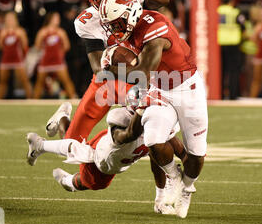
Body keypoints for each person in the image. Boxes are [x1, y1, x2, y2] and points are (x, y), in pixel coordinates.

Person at [67, 0, 171, 209]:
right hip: (110, 78)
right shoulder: (87, 20)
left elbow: (164, 0)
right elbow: (97, 68)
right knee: (71, 145)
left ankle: (162, 193)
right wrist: (131, 70)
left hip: (146, 74)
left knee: (155, 133)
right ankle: (65, 125)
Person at [99, 0, 208, 218]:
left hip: (187, 88)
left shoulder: (155, 32)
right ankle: (173, 176)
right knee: (153, 139)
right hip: (161, 87)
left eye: (117, 23)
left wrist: (112, 70)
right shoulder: (137, 18)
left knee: (196, 155)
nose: (114, 28)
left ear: (130, 14)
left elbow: (143, 72)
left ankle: (187, 188)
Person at [26, 87, 185, 215]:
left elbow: (160, 158)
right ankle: (47, 153)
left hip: (117, 160)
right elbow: (128, 135)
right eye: (149, 107)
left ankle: (59, 122)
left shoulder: (158, 125)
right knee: (85, 168)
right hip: (102, 154)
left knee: (91, 172)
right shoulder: (121, 119)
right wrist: (142, 113)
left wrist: (165, 195)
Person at [33, 12, 76, 99]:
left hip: (58, 61)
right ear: (51, 19)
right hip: (45, 61)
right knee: (40, 82)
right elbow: (37, 46)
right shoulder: (43, 31)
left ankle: (73, 98)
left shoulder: (61, 32)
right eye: (56, 18)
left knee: (66, 81)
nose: (58, 20)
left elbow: (67, 46)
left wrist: (60, 52)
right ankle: (34, 100)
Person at [0, 11, 32, 99]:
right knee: (2, 81)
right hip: (6, 59)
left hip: (18, 59)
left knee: (24, 80)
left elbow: (25, 46)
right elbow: (0, 47)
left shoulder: (20, 31)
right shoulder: (3, 32)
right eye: (8, 19)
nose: (10, 21)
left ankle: (31, 99)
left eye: (11, 19)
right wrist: (2, 38)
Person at [217, 0, 246, 100]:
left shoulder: (216, 11)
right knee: (233, 71)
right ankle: (233, 95)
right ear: (231, 1)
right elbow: (243, 27)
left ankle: (220, 94)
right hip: (233, 44)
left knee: (221, 70)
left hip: (219, 44)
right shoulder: (235, 12)